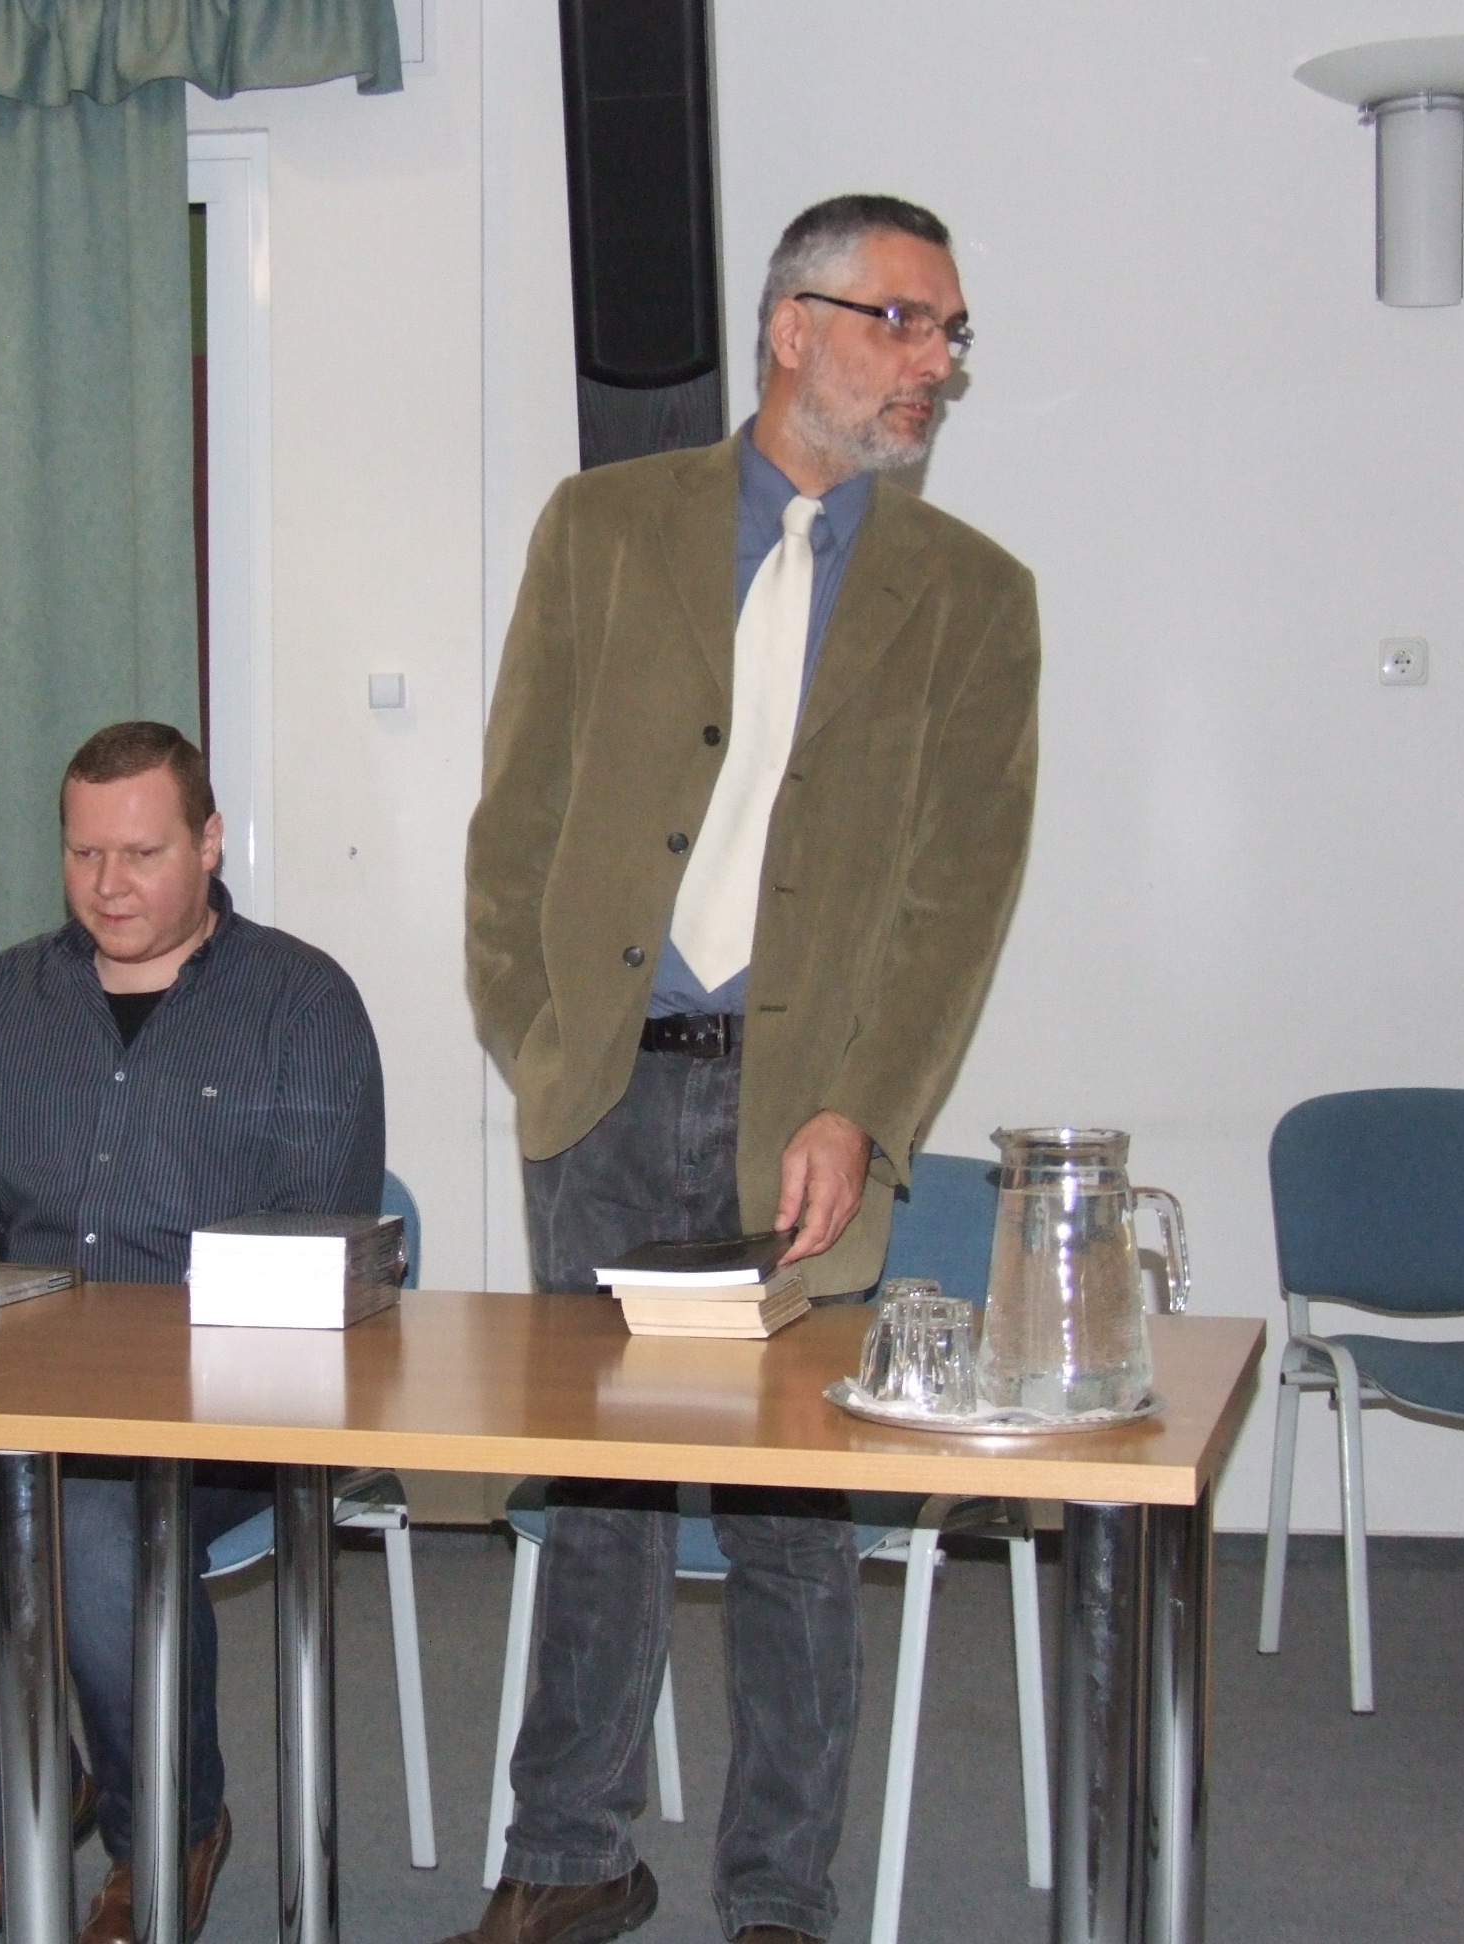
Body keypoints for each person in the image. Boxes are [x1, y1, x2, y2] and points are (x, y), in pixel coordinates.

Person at [451, 195, 1040, 1944]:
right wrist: (538, 1035)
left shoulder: (973, 596)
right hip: (605, 1087)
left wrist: (869, 1110)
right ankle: (569, 1853)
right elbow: (517, 814)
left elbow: (956, 898)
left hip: (809, 1116)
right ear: (794, 327)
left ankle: (777, 1894)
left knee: (793, 1514)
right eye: (903, 321)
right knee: (600, 1490)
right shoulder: (603, 527)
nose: (935, 363)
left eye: (949, 333)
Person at [0, 720, 384, 1944]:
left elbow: (313, 1257)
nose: (109, 885)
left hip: (229, 1404)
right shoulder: (4, 1001)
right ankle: (13, 1809)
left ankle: (168, 1832)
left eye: (143, 854)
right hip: (24, 1386)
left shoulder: (301, 1003)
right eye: (84, 855)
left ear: (210, 844)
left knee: (101, 1522)